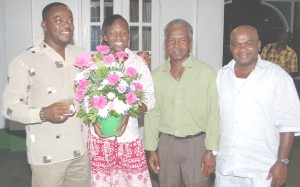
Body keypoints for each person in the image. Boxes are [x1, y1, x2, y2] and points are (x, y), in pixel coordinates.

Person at [2, 2, 91, 187]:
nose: (67, 25)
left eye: (70, 20)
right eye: (58, 20)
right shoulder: (24, 61)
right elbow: (9, 108)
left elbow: (101, 84)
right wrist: (43, 113)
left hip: (81, 152)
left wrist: (132, 59)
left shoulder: (82, 56)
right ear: (44, 25)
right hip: (47, 156)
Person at [215, 25, 300, 187]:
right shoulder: (221, 76)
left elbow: (288, 124)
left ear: (259, 45)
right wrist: (212, 153)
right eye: (237, 44)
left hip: (263, 170)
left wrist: (282, 162)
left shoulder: (278, 77)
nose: (242, 48)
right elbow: (215, 118)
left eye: (248, 43)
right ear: (230, 47)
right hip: (226, 167)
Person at [144, 19, 220, 187]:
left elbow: (215, 114)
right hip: (166, 145)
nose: (176, 44)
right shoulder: (156, 76)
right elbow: (152, 114)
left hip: (197, 145)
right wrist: (151, 149)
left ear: (190, 42)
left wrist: (211, 150)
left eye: (182, 40)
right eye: (171, 40)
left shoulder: (206, 73)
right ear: (165, 43)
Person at [88, 14, 155, 187]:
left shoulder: (138, 63)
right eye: (113, 33)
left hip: (129, 138)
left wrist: (131, 109)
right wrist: (94, 119)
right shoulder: (95, 64)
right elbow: (85, 98)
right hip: (101, 140)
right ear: (104, 36)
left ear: (129, 35)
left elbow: (150, 98)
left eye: (123, 33)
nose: (119, 38)